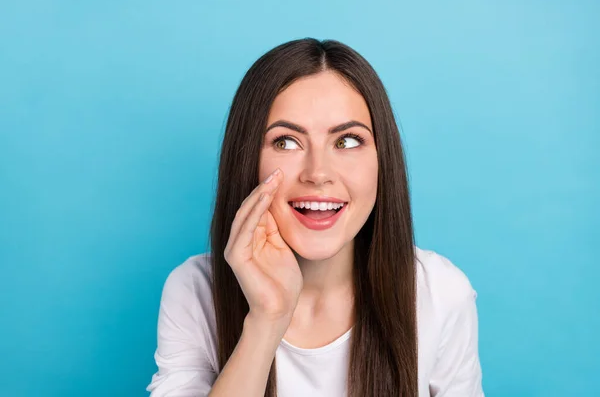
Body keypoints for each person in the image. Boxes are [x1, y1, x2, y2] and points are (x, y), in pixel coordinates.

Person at [146, 38, 484, 397]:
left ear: (382, 161)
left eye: (348, 141)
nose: (318, 173)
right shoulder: (195, 291)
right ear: (247, 160)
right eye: (286, 142)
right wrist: (267, 319)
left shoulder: (441, 293)